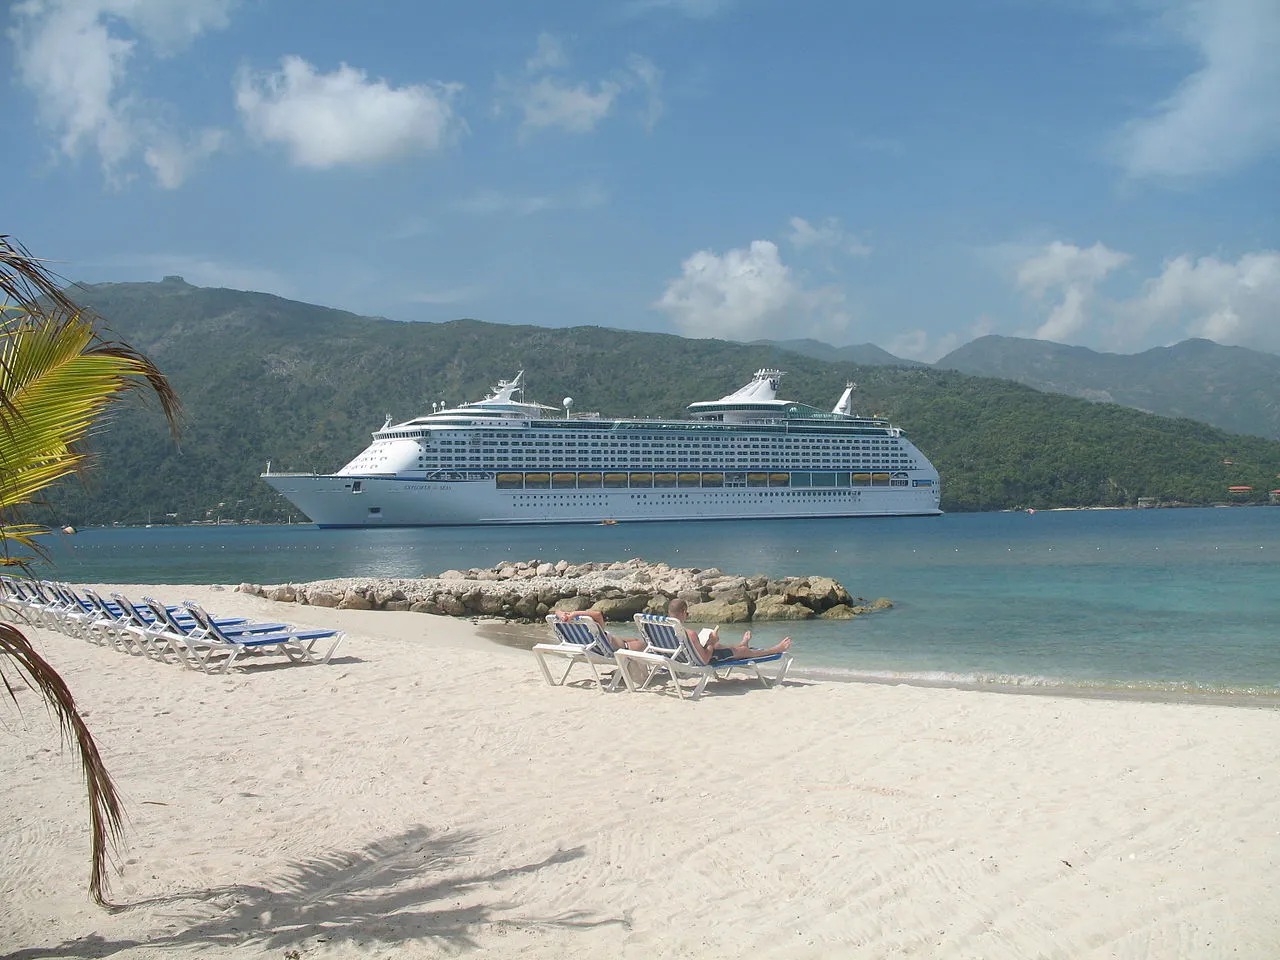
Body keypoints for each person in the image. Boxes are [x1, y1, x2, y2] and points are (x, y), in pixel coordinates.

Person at [665, 597, 792, 665]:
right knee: (742, 651)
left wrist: (712, 643)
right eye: (686, 613)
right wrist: (710, 642)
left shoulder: (661, 628)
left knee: (718, 645)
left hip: (675, 658)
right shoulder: (690, 634)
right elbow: (704, 660)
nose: (687, 615)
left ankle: (741, 644)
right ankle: (776, 649)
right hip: (694, 660)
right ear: (682, 612)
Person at [554, 608, 646, 651]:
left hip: (595, 648)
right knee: (644, 643)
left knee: (635, 639)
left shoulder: (580, 632)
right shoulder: (597, 627)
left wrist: (564, 615)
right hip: (624, 648)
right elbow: (598, 614)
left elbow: (557, 610)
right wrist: (574, 613)